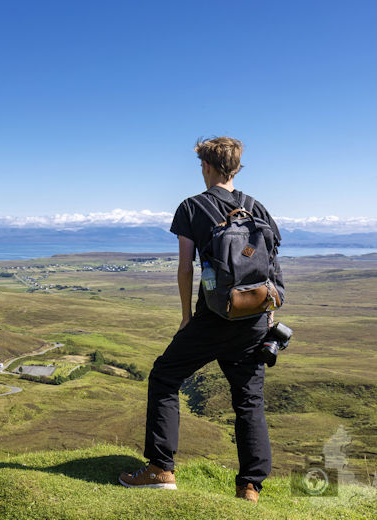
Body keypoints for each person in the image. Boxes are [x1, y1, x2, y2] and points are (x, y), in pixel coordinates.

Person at [118, 137, 285, 503]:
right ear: (237, 168)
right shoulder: (257, 208)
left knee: (165, 376)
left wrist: (185, 317)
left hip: (213, 317)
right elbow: (270, 268)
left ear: (205, 166)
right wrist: (268, 317)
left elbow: (184, 268)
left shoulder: (192, 208)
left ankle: (161, 468)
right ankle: (250, 487)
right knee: (248, 399)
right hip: (255, 317)